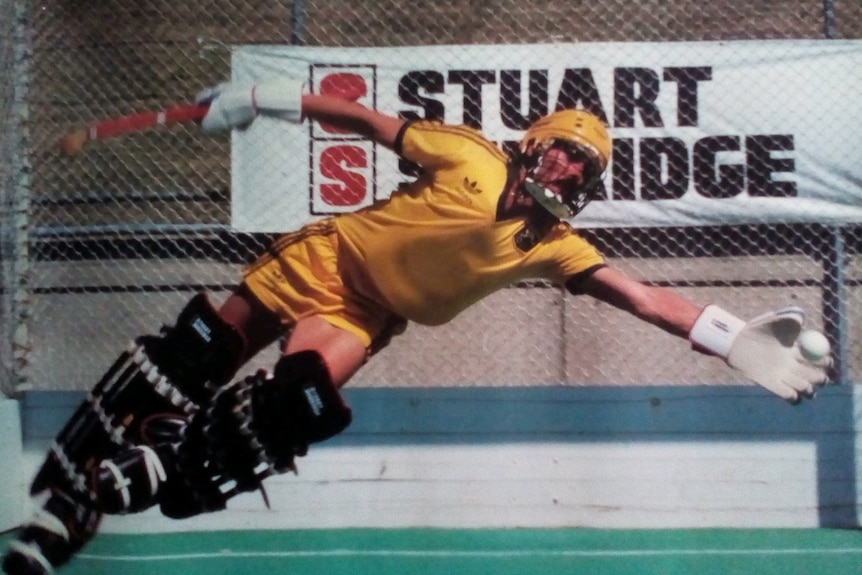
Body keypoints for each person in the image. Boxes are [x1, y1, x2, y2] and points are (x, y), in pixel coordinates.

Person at [2, 79, 831, 575]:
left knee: (302, 402)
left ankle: (161, 464)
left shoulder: (556, 245)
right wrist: (265, 100)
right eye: (568, 149)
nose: (575, 166)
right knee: (185, 361)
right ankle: (61, 510)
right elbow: (368, 124)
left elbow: (648, 297)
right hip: (322, 259)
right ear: (536, 145)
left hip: (365, 312)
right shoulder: (469, 155)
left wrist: (735, 339)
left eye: (590, 164)